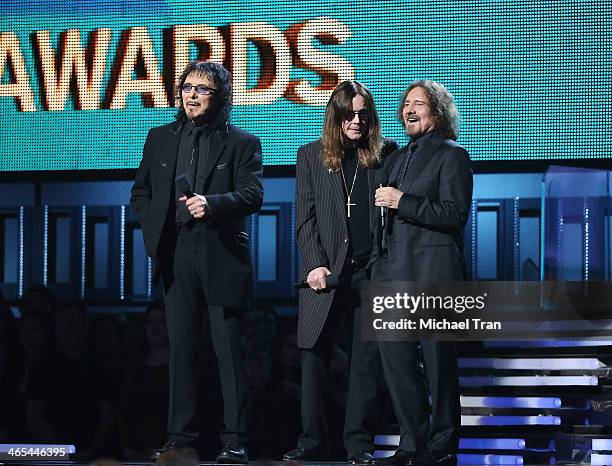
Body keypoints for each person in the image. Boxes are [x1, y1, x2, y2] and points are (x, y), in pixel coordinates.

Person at [130, 60, 263, 463]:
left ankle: (235, 439)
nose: (191, 94)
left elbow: (253, 194)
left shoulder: (242, 142)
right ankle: (179, 438)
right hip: (176, 250)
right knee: (182, 348)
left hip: (220, 250)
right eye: (186, 87)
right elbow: (141, 193)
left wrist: (213, 204)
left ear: (220, 96)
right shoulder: (160, 138)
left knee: (228, 350)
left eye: (201, 89)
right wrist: (156, 232)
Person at [283, 80, 397, 463]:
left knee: (365, 362)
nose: (357, 120)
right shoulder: (311, 156)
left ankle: (359, 446)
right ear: (336, 117)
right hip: (326, 273)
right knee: (313, 356)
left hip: (371, 272)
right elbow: (305, 220)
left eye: (364, 114)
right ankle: (311, 442)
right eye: (349, 113)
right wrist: (315, 263)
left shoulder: (384, 156)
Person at [372, 80, 473, 466]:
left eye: (420, 104)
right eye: (406, 104)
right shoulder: (396, 158)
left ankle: (443, 446)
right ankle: (411, 444)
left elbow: (454, 213)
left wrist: (403, 201)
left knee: (438, 366)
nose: (409, 110)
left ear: (439, 112)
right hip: (392, 272)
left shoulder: (452, 155)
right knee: (397, 364)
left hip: (434, 273)